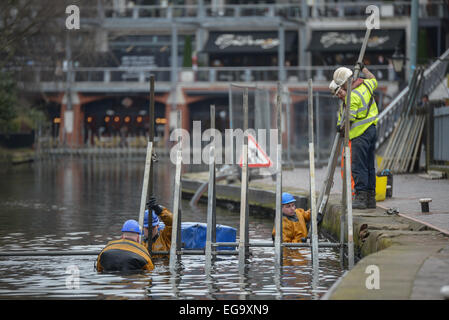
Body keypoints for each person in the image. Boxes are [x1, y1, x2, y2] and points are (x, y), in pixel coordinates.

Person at [329, 63, 379, 209]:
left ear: (344, 83)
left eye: (340, 88)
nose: (340, 93)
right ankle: (370, 198)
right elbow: (373, 78)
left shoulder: (352, 97)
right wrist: (364, 68)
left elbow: (349, 119)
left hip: (359, 134)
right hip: (372, 130)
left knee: (358, 166)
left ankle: (361, 197)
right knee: (369, 165)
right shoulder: (367, 85)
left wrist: (341, 127)